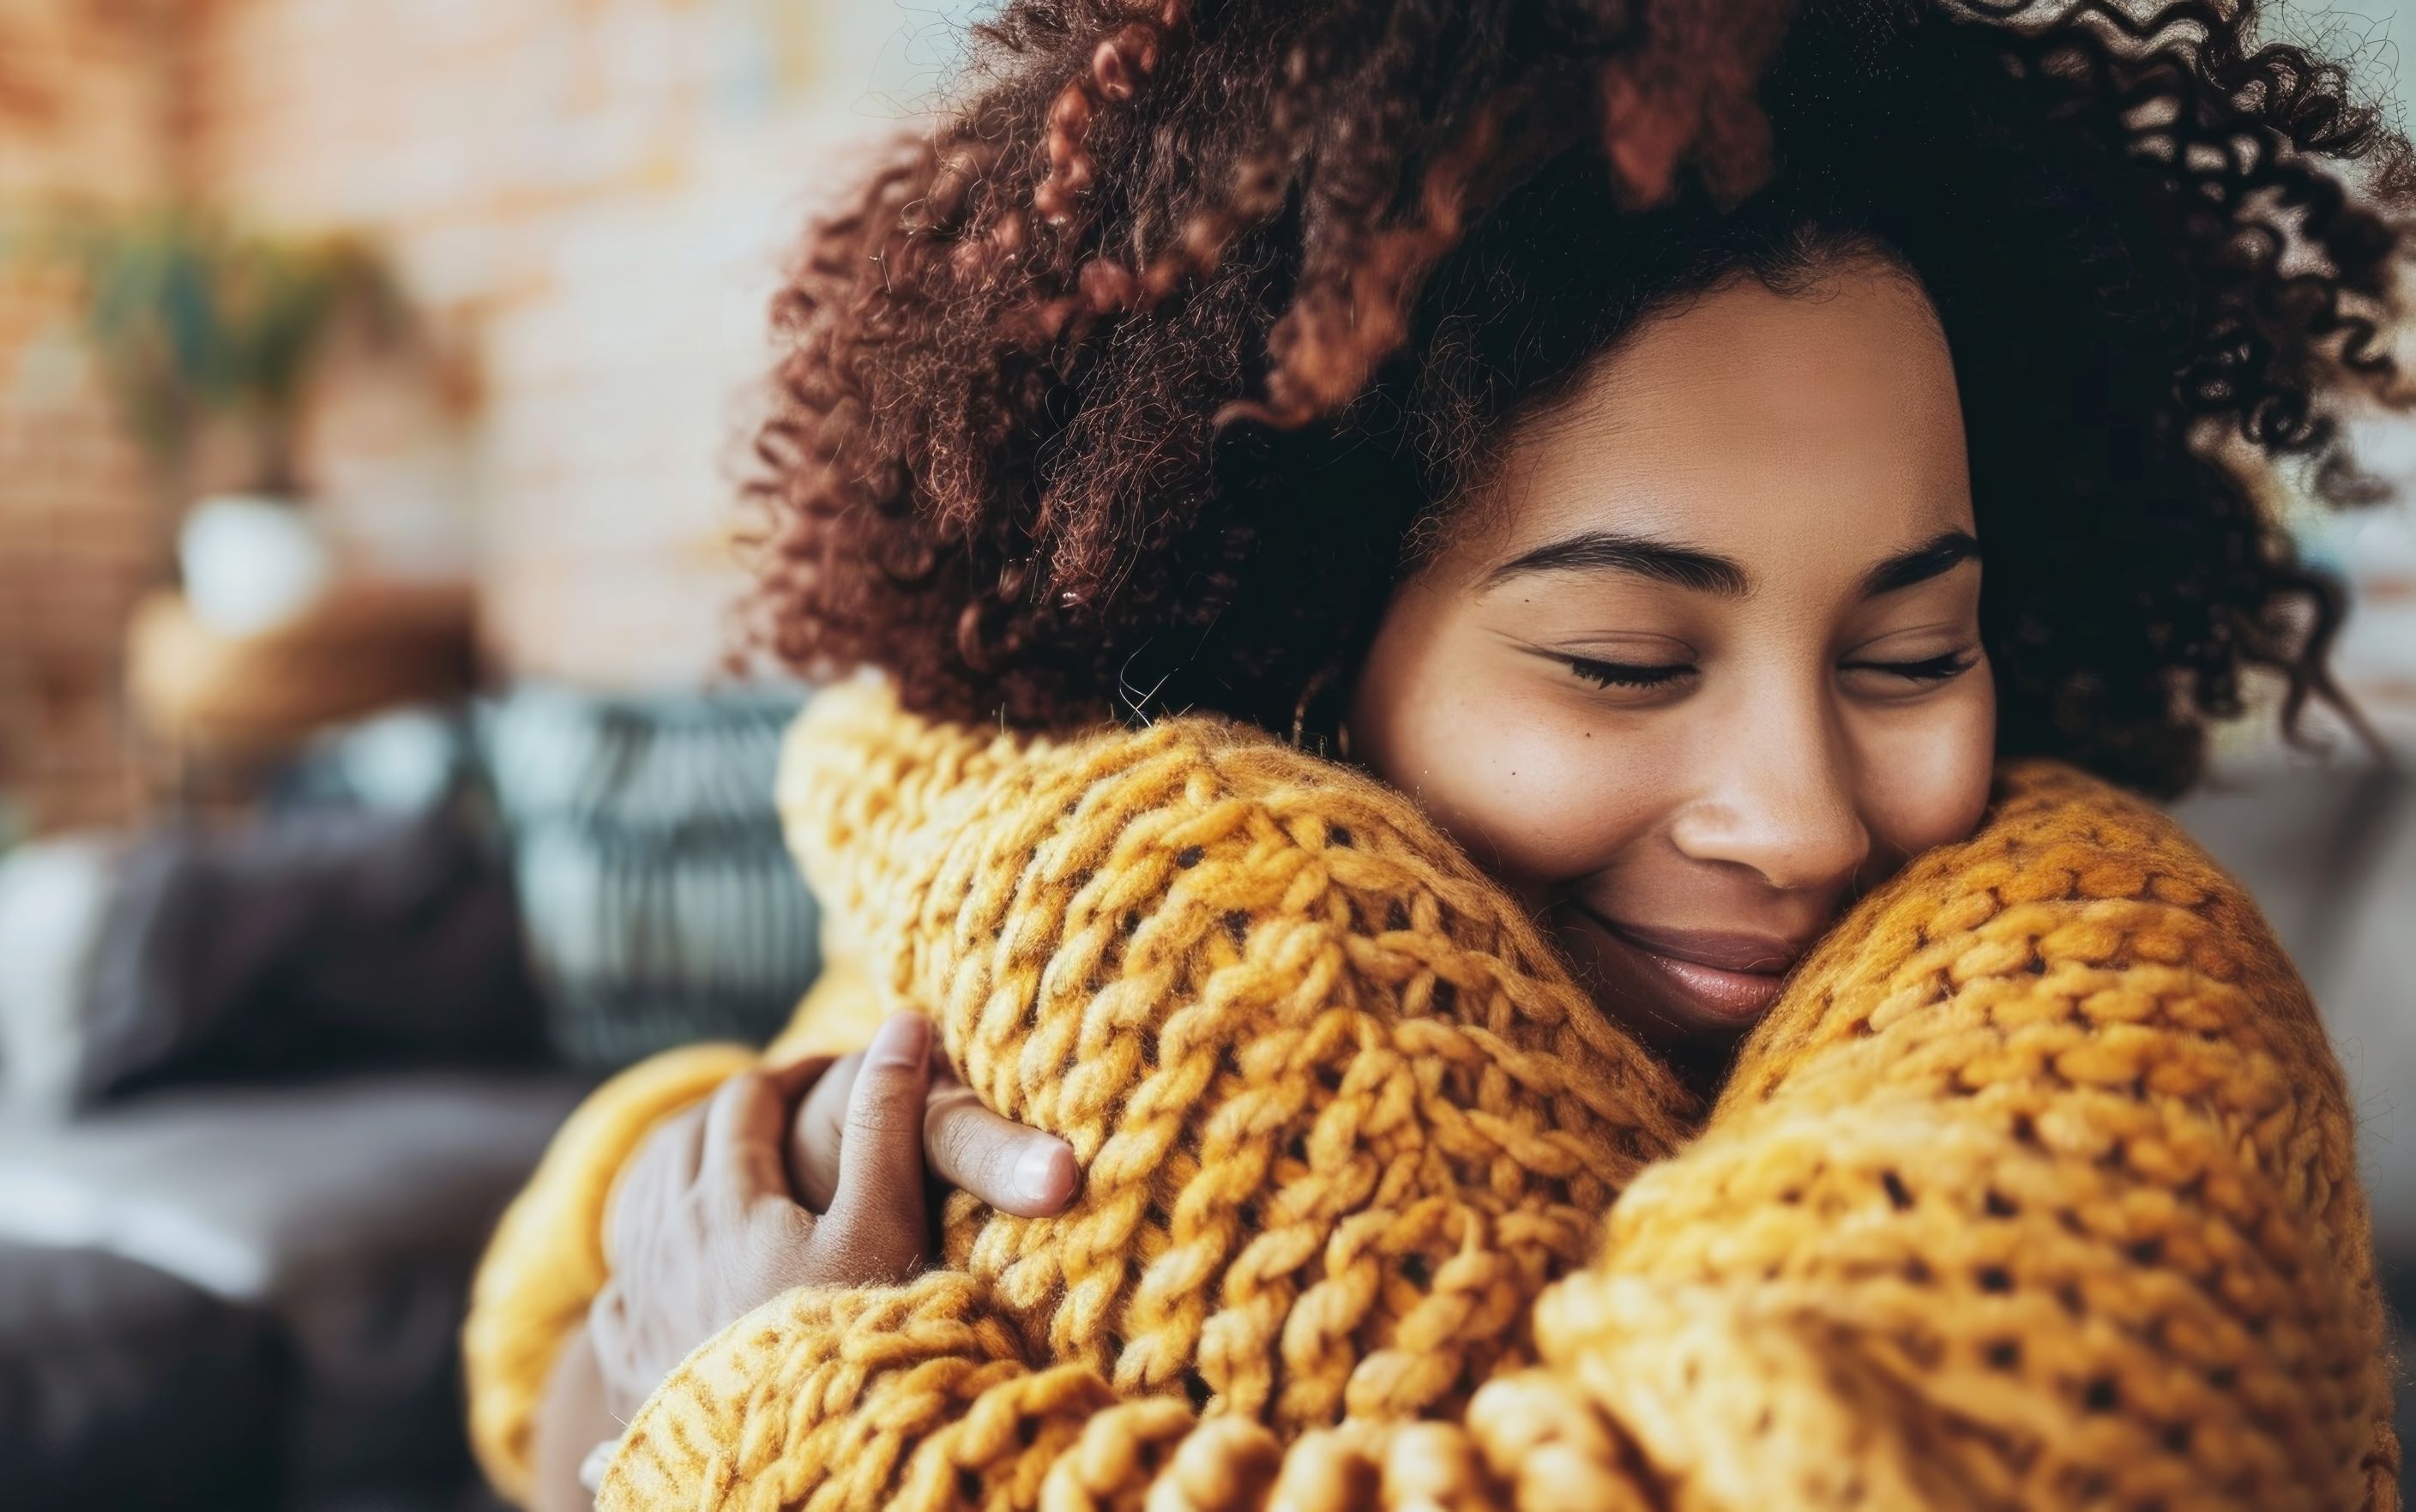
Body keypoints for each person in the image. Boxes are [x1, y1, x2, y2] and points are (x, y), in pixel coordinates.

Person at [468, 0, 2412, 1506]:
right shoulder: (1047, 895)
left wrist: (787, 1419)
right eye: (1628, 659)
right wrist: (713, 1195)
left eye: (1909, 651)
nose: (1806, 820)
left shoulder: (2098, 982)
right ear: (1300, 638)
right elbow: (563, 1417)